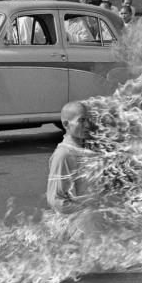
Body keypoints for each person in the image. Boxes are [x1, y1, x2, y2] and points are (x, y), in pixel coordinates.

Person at [46, 102, 105, 238]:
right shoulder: (64, 155)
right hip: (78, 229)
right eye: (81, 120)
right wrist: (87, 212)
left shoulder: (83, 150)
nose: (87, 125)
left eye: (88, 119)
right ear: (66, 125)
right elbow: (56, 200)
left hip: (90, 224)